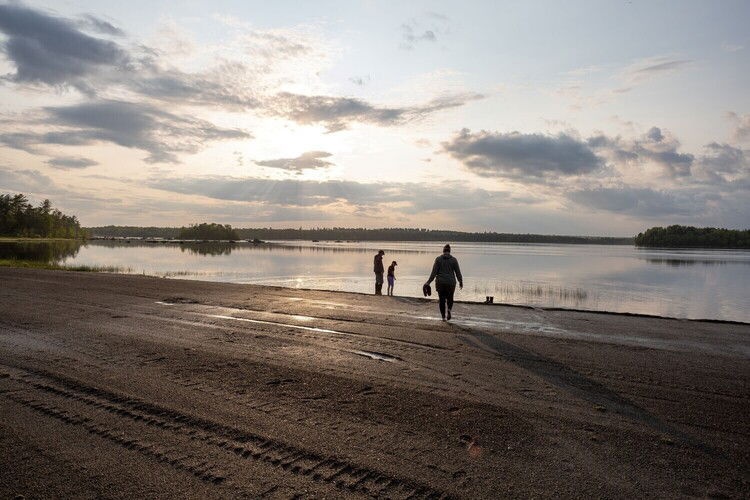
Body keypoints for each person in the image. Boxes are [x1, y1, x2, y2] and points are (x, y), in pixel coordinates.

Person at [424, 244, 463, 320]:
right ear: (449, 251)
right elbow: (458, 272)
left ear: (443, 251)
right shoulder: (454, 260)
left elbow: (434, 272)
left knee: (441, 300)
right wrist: (460, 281)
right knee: (450, 298)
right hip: (451, 283)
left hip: (440, 283)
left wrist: (428, 282)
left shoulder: (438, 259)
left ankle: (443, 317)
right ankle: (449, 310)